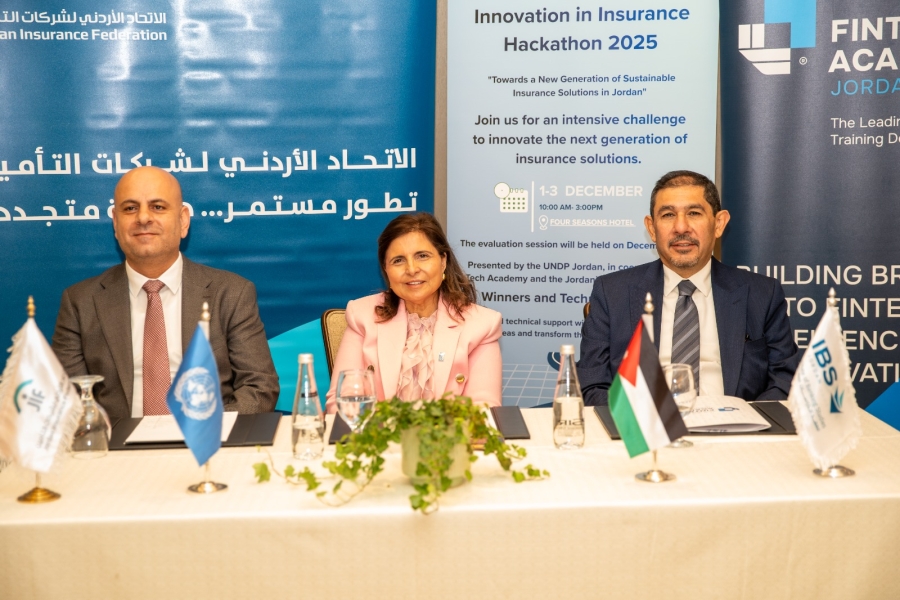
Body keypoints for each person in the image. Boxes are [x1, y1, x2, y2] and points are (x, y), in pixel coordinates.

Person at [52, 166, 279, 419]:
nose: (143, 218)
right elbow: (67, 399)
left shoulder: (231, 294)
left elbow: (259, 388)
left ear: (183, 221)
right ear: (115, 223)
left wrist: (201, 430)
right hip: (115, 440)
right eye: (130, 208)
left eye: (158, 207)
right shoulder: (80, 302)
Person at [577, 170, 799, 406]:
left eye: (694, 213)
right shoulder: (612, 293)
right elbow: (592, 385)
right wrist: (639, 419)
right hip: (645, 423)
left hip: (733, 424)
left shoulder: (762, 294)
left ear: (719, 224)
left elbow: (784, 379)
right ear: (651, 229)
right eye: (668, 215)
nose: (681, 227)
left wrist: (746, 419)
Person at [326, 212, 502, 412]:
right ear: (386, 269)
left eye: (422, 256)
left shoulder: (481, 325)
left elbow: (483, 409)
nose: (411, 269)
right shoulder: (362, 316)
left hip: (449, 433)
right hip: (379, 431)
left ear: (443, 261)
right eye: (398, 260)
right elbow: (342, 402)